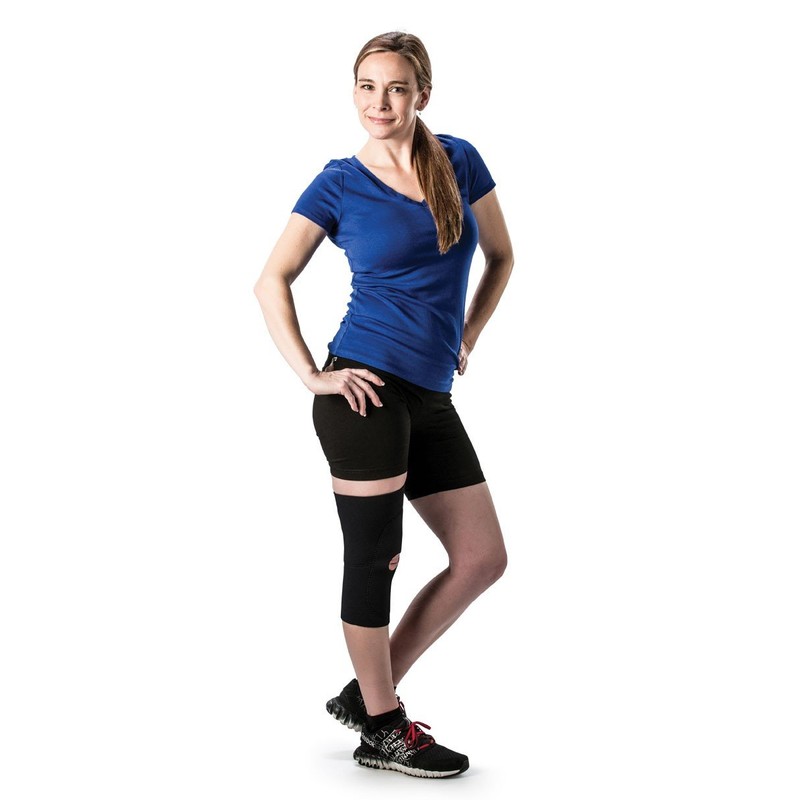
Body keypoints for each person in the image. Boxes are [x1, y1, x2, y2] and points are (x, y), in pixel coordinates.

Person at [253, 30, 513, 779]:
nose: (380, 102)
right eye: (367, 86)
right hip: (362, 390)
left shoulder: (459, 160)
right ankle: (384, 727)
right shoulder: (338, 183)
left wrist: (468, 333)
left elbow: (502, 257)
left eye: (396, 87)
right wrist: (314, 375)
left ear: (421, 94)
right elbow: (271, 280)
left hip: (431, 394)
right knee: (376, 559)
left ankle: (366, 694)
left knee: (482, 558)